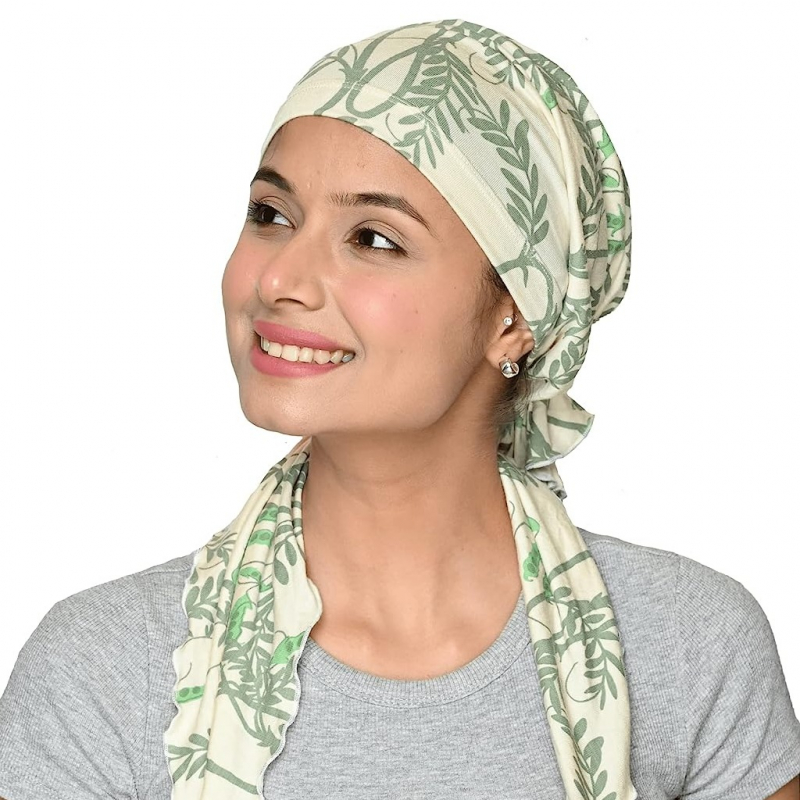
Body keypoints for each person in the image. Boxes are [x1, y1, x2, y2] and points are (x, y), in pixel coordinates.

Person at [1, 17, 799, 800]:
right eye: (272, 216)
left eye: (374, 239)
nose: (278, 280)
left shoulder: (688, 647)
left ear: (514, 315)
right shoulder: (107, 673)